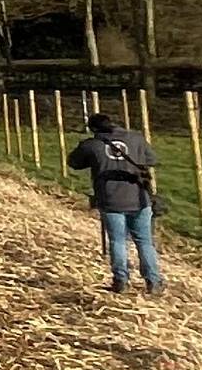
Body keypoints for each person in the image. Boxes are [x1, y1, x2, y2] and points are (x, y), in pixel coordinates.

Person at [67, 111, 165, 296]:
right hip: (139, 197)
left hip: (110, 199)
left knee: (117, 241)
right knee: (145, 242)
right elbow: (152, 160)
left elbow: (73, 162)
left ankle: (121, 281)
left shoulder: (92, 145)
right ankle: (153, 282)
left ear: (93, 128)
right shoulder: (136, 138)